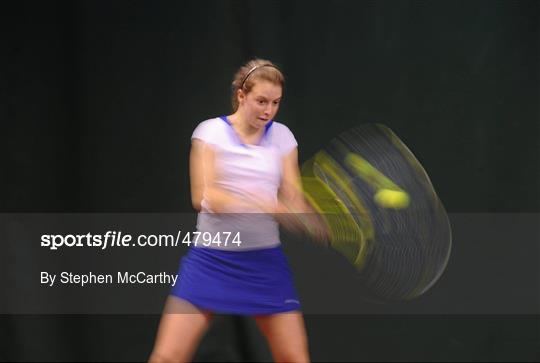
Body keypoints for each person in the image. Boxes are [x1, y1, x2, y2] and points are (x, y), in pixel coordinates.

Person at [149, 59, 317, 363]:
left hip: (264, 262)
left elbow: (292, 197)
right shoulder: (210, 132)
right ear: (241, 95)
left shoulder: (283, 138)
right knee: (166, 357)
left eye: (276, 103)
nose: (268, 110)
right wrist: (260, 204)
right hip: (211, 259)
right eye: (261, 101)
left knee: (294, 359)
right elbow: (203, 195)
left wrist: (307, 218)